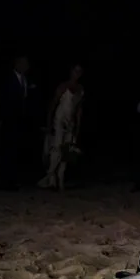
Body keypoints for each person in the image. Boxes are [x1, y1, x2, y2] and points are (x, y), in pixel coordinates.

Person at [37, 63, 85, 191]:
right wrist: (48, 124)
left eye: (79, 71)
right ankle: (50, 178)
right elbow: (52, 105)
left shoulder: (80, 89)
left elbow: (79, 109)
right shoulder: (63, 86)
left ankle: (60, 179)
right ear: (71, 72)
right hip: (59, 119)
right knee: (56, 149)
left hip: (70, 122)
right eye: (75, 71)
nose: (77, 74)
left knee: (67, 151)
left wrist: (78, 126)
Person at [0, 54, 36, 189]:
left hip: (21, 120)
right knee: (8, 149)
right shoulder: (7, 79)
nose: (26, 66)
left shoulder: (26, 80)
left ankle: (15, 179)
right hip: (9, 119)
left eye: (27, 63)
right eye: (23, 63)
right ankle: (6, 181)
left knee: (18, 149)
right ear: (16, 64)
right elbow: (0, 100)